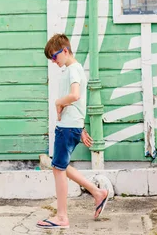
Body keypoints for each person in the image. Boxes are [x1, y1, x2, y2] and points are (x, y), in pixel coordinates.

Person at [36, 34, 109, 229]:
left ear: (65, 51)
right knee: (59, 165)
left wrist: (58, 102)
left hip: (67, 128)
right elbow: (79, 102)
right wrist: (81, 128)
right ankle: (97, 192)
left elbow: (75, 96)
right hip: (72, 126)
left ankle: (61, 217)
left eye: (54, 57)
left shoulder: (73, 70)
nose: (53, 61)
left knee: (58, 169)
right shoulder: (73, 69)